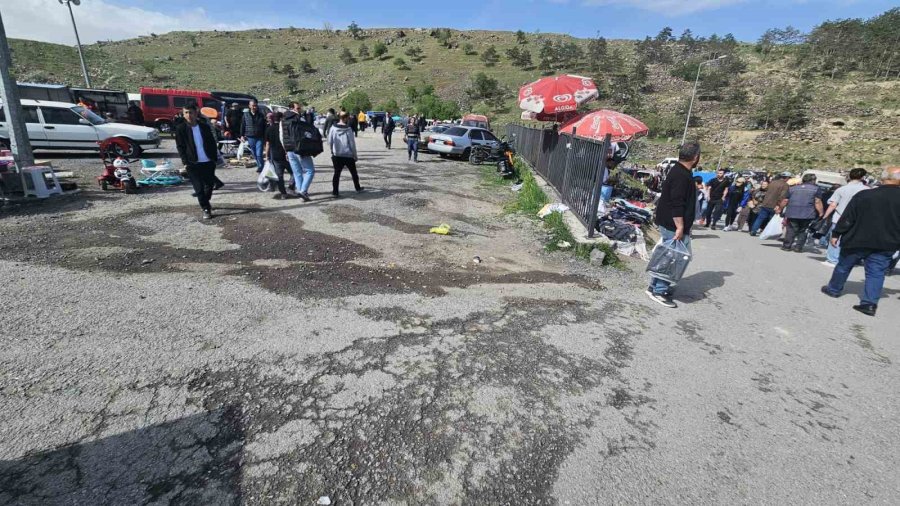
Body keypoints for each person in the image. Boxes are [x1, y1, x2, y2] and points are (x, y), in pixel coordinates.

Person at [822, 166, 900, 316]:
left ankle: (834, 289)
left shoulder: (865, 195)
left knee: (844, 265)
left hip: (857, 239)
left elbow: (848, 217)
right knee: (876, 273)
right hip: (887, 243)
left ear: (884, 178)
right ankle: (869, 304)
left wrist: (836, 233)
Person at [647, 141, 700, 308]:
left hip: (669, 222)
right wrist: (680, 226)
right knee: (674, 257)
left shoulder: (679, 171)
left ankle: (654, 286)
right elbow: (677, 203)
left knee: (666, 255)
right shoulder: (681, 175)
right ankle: (659, 290)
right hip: (672, 223)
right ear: (696, 157)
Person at [175, 104, 219, 220]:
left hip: (208, 161)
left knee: (209, 185)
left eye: (191, 112)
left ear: (196, 113)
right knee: (199, 188)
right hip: (192, 163)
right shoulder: (181, 128)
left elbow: (212, 142)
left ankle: (205, 201)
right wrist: (185, 162)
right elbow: (180, 147)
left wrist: (214, 158)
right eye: (186, 113)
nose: (188, 115)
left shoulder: (204, 127)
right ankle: (205, 208)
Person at [822, 168, 869, 266]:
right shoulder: (867, 190)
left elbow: (833, 204)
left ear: (849, 176)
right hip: (858, 220)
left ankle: (832, 260)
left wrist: (825, 216)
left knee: (835, 239)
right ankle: (848, 260)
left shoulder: (841, 189)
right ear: (863, 177)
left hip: (839, 217)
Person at [283, 102, 317, 202]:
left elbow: (282, 137)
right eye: (298, 108)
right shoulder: (299, 118)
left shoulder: (283, 119)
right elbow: (307, 133)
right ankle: (303, 191)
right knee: (310, 170)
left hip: (289, 149)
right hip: (300, 149)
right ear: (292, 108)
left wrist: (285, 150)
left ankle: (302, 193)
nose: (300, 110)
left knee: (297, 172)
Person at [780, 173, 823, 252]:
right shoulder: (816, 189)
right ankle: (798, 247)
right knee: (803, 230)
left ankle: (787, 246)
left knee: (791, 229)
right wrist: (821, 212)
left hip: (792, 212)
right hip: (807, 213)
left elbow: (785, 200)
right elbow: (817, 201)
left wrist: (780, 208)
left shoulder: (792, 188)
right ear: (813, 180)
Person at [328, 113, 363, 197]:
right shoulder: (348, 129)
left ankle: (335, 192)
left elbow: (330, 141)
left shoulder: (333, 128)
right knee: (353, 173)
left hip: (337, 155)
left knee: (337, 174)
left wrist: (332, 151)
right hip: (348, 155)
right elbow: (352, 143)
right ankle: (357, 188)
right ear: (346, 118)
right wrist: (355, 155)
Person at [264, 111, 292, 200]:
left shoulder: (269, 129)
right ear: (281, 119)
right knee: (294, 172)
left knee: (280, 176)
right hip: (287, 155)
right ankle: (291, 187)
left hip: (276, 156)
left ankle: (283, 193)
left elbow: (267, 144)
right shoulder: (285, 129)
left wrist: (266, 156)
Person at [241, 99, 267, 172]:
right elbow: (243, 125)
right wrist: (242, 135)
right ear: (249, 106)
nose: (254, 107)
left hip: (260, 137)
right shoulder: (245, 115)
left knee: (259, 154)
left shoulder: (261, 115)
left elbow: (264, 126)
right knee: (254, 153)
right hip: (250, 136)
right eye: (253, 106)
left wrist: (266, 136)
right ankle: (259, 165)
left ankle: (261, 167)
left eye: (255, 105)